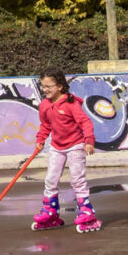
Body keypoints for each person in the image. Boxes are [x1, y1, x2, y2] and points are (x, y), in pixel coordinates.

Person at [30, 68, 101, 233]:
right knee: (50, 179)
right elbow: (45, 125)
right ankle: (50, 212)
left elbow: (85, 122)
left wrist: (89, 141)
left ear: (60, 86)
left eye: (49, 86)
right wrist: (40, 139)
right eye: (43, 86)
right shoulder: (44, 105)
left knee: (77, 180)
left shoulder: (71, 104)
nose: (45, 90)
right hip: (57, 146)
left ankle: (87, 213)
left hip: (75, 145)